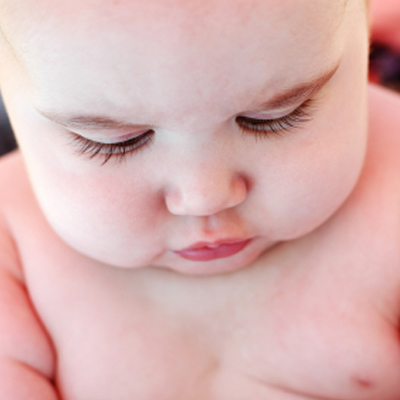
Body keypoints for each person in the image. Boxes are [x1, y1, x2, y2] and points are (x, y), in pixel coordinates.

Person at [0, 0, 400, 398]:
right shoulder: (13, 241)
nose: (205, 197)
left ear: (364, 36)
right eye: (117, 143)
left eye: (274, 117)